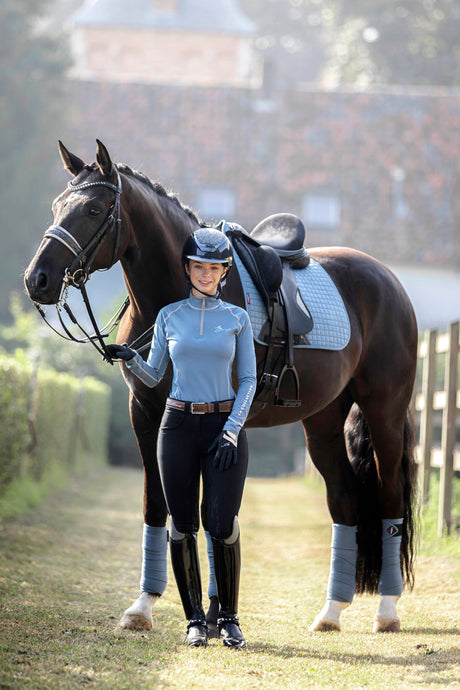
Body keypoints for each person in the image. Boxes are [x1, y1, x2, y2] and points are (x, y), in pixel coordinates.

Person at [105, 227, 256, 648]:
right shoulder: (169, 316)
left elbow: (249, 380)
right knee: (182, 524)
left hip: (223, 427)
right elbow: (155, 375)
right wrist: (130, 357)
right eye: (198, 266)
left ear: (223, 271)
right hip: (177, 427)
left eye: (214, 267)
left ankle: (228, 618)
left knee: (222, 524)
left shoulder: (238, 319)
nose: (205, 274)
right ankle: (193, 621)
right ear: (186, 268)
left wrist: (231, 430)